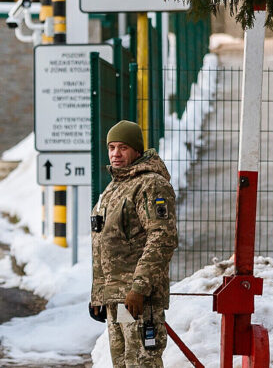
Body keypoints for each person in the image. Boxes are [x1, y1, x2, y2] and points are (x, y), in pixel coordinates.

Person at [89, 120, 178, 367]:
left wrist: (139, 288)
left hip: (136, 300)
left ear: (137, 151)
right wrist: (99, 295)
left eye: (123, 148)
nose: (115, 154)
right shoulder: (116, 186)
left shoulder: (150, 184)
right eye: (112, 148)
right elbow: (103, 245)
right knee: (122, 363)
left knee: (141, 363)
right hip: (116, 298)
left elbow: (162, 238)